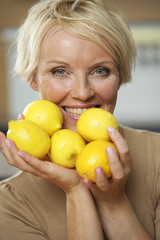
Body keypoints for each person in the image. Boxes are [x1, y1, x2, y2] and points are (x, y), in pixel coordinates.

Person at [0, 0, 159, 239]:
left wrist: (113, 203)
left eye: (99, 71)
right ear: (33, 78)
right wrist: (75, 190)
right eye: (60, 71)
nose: (83, 92)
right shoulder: (9, 202)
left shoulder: (157, 156)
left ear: (120, 74)